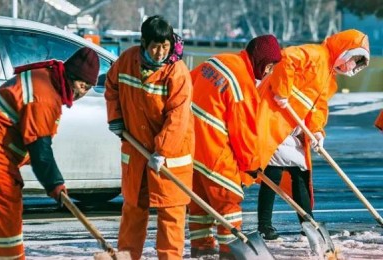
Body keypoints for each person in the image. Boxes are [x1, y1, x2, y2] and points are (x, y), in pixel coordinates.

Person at [0, 47, 100, 259]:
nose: (83, 92)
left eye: (89, 87)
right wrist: (56, 186)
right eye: (82, 85)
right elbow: (40, 149)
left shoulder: (47, 78)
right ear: (70, 76)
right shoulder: (44, 93)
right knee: (5, 220)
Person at [256, 29, 370, 240]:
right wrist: (282, 90)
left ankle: (305, 224)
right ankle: (271, 225)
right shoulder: (315, 54)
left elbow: (318, 109)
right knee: (275, 170)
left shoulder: (330, 79)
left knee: (297, 172)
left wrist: (317, 131)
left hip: (291, 128)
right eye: (354, 60)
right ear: (345, 51)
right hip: (272, 117)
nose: (352, 67)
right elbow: (287, 58)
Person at [104, 15, 194, 260]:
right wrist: (116, 118)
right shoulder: (127, 61)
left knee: (171, 212)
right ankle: (127, 255)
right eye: (155, 46)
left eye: (165, 47)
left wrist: (162, 151)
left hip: (170, 155)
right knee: (133, 207)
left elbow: (178, 116)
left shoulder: (177, 72)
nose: (160, 53)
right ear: (144, 42)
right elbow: (111, 86)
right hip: (137, 151)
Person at [187, 35, 282, 259]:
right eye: (270, 67)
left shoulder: (217, 61)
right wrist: (251, 166)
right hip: (214, 152)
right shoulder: (243, 86)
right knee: (228, 204)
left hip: (190, 148)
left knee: (200, 206)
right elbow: (243, 133)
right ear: (263, 63)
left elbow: (186, 85)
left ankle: (202, 249)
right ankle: (230, 253)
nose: (269, 72)